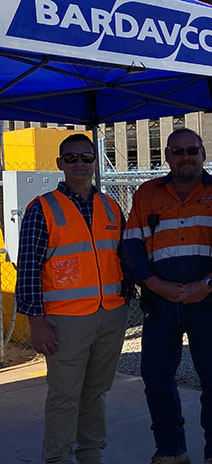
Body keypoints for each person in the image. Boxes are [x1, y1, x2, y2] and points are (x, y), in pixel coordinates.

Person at [123, 128, 212, 464]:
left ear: (204, 154)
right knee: (156, 378)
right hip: (161, 301)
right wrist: (154, 284)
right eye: (177, 151)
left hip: (210, 300)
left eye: (192, 151)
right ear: (167, 156)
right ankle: (171, 450)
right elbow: (131, 244)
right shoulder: (146, 193)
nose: (185, 157)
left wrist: (207, 283)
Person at [16, 133, 132, 464]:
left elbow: (122, 259)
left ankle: (91, 454)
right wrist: (36, 323)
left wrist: (126, 301)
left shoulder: (110, 207)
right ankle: (57, 458)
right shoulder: (43, 208)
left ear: (96, 161)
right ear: (59, 164)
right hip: (65, 320)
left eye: (86, 157)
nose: (79, 164)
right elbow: (28, 271)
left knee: (96, 393)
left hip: (110, 315)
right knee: (65, 396)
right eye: (71, 158)